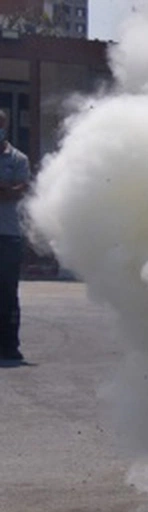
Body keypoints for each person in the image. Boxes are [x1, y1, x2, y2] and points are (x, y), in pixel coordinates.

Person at [0, 109, 30, 363]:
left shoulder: (18, 158)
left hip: (8, 235)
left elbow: (21, 189)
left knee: (8, 293)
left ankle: (10, 346)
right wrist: (6, 188)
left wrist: (7, 190)